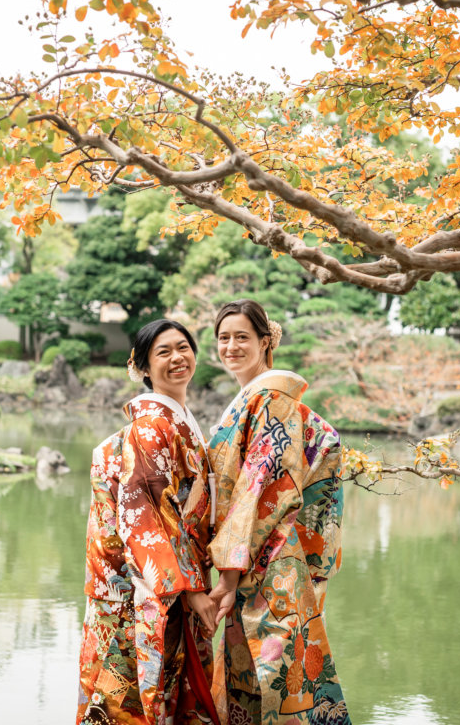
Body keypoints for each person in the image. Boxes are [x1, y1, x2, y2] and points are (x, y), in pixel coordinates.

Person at [205, 299, 351, 725]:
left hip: (267, 561)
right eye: (223, 338)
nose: (230, 346)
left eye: (242, 337)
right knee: (253, 684)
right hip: (259, 557)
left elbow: (260, 487)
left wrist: (230, 570)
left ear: (265, 341)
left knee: (277, 685)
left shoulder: (272, 396)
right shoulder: (253, 397)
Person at [78, 319, 220, 725]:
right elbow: (143, 513)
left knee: (161, 699)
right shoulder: (151, 428)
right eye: (163, 352)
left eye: (184, 347)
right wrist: (189, 589)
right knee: (127, 702)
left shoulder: (177, 423)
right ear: (141, 367)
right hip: (141, 591)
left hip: (170, 583)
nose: (177, 358)